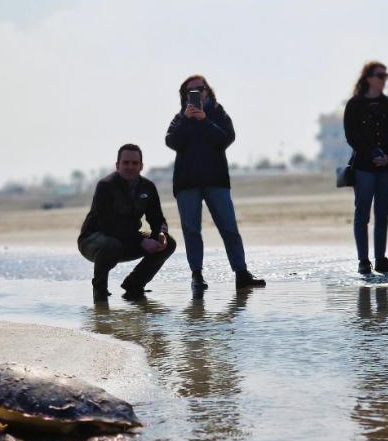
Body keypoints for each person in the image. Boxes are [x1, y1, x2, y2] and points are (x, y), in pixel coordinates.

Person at [165, 74, 265, 292]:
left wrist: (204, 120)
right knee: (192, 230)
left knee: (229, 227)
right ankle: (197, 276)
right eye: (190, 91)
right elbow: (172, 141)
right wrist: (186, 119)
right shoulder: (179, 118)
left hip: (216, 181)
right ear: (184, 96)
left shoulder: (218, 113)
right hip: (187, 183)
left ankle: (241, 273)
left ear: (207, 91)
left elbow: (226, 139)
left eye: (200, 88)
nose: (197, 93)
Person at [78, 144, 176, 303]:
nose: (130, 167)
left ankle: (134, 285)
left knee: (168, 243)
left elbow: (157, 219)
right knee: (111, 244)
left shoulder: (148, 187)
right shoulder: (106, 186)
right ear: (118, 165)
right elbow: (108, 225)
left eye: (135, 163)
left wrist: (161, 234)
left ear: (141, 166)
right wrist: (141, 240)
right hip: (94, 239)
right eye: (126, 163)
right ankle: (100, 293)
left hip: (128, 238)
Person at [344, 61, 388, 275]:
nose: (383, 79)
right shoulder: (354, 104)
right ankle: (363, 261)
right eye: (379, 75)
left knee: (382, 214)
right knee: (362, 215)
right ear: (368, 78)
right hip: (363, 168)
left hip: (386, 167)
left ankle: (380, 259)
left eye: (385, 75)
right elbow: (352, 136)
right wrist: (372, 154)